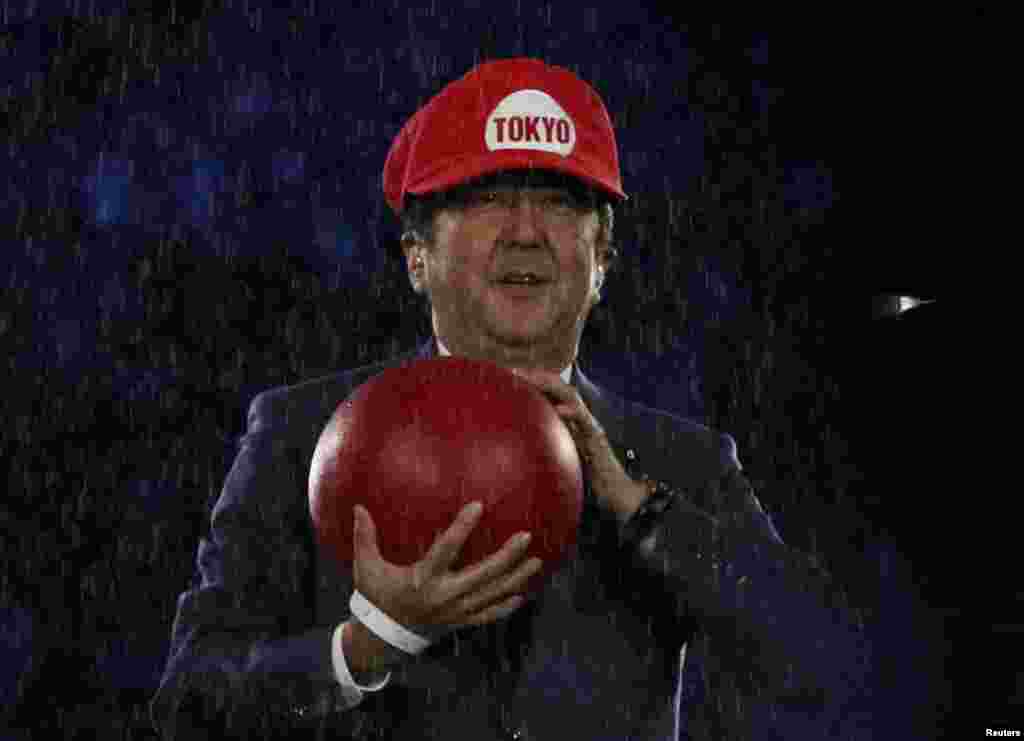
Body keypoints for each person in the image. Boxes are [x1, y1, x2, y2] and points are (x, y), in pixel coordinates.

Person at [150, 57, 874, 740]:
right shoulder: (302, 433)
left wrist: (640, 510)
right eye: (489, 198)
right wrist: (369, 644)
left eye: (559, 202)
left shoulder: (681, 461)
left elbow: (824, 666)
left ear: (602, 261)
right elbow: (189, 705)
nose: (526, 232)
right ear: (417, 257)